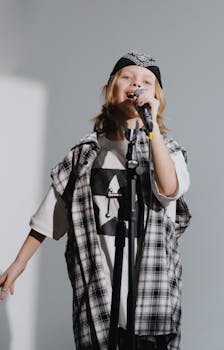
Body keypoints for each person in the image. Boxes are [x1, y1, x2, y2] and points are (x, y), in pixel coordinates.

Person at [0, 51, 191, 350]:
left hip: (151, 295)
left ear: (156, 97)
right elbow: (52, 212)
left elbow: (168, 188)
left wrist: (151, 131)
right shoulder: (85, 154)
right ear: (112, 88)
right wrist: (19, 262)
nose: (136, 84)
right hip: (100, 291)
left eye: (146, 81)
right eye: (127, 77)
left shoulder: (168, 152)